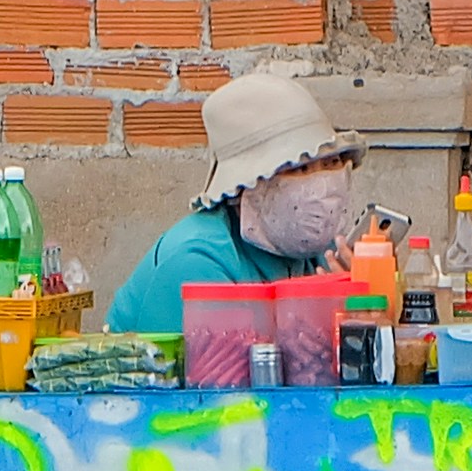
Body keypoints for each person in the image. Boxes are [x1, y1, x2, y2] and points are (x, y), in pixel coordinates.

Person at [103, 70, 362, 333]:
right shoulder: (197, 260)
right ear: (246, 186)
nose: (321, 185)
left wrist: (362, 296)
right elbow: (222, 369)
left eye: (331, 163)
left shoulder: (322, 252)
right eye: (300, 169)